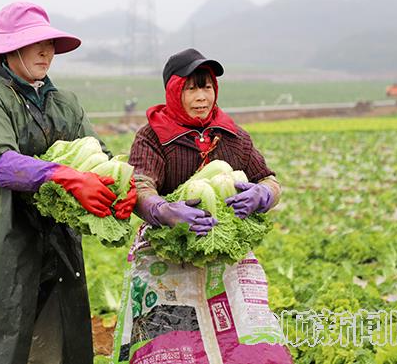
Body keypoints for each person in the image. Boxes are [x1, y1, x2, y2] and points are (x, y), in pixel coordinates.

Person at [0, 1, 136, 364]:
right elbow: (2, 164)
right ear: (9, 48)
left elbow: (99, 153)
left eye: (50, 43)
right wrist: (65, 176)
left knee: (58, 345)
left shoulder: (63, 102)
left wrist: (121, 185)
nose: (46, 51)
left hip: (57, 244)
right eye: (36, 42)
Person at [115, 48, 291, 363]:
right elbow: (141, 185)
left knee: (248, 346)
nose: (202, 96)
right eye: (191, 87)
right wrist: (162, 211)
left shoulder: (233, 136)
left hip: (224, 257)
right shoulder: (153, 137)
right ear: (174, 91)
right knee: (175, 348)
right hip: (168, 256)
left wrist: (262, 195)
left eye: (206, 86)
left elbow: (269, 180)